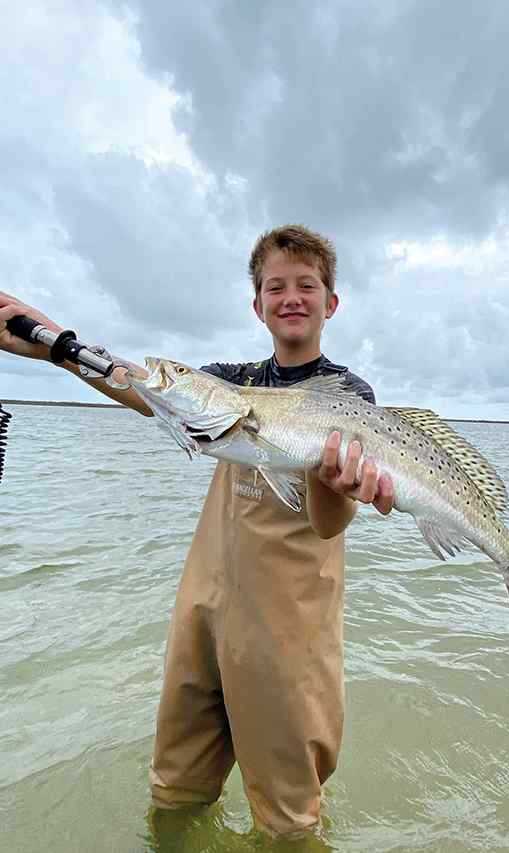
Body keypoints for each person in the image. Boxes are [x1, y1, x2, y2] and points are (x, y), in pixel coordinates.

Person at [0, 224, 394, 839]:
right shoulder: (229, 383)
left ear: (330, 303)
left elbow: (328, 523)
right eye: (275, 286)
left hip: (287, 629)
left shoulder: (349, 397)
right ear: (257, 305)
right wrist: (56, 343)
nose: (291, 297)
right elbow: (145, 390)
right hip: (203, 610)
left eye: (307, 286)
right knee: (174, 787)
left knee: (287, 820)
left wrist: (336, 483)